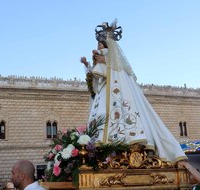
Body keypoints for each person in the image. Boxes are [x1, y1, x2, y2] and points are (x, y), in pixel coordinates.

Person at [80, 20, 187, 163]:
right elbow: (95, 82)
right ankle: (105, 155)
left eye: (101, 44)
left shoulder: (117, 64)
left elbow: (111, 69)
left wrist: (104, 60)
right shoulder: (103, 60)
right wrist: (89, 65)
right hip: (104, 95)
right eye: (98, 45)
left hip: (115, 94)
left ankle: (125, 149)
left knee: (121, 119)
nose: (99, 47)